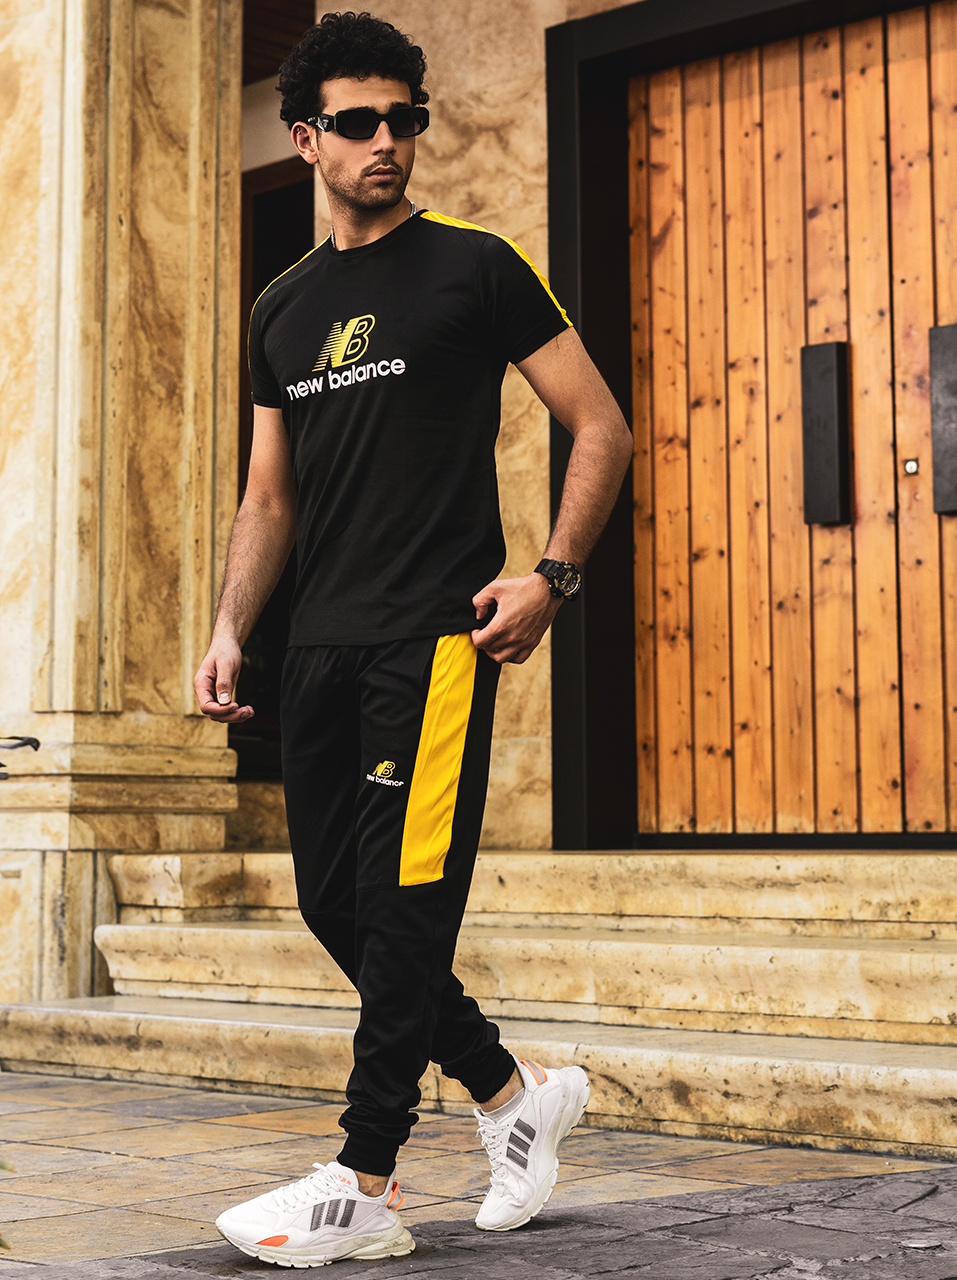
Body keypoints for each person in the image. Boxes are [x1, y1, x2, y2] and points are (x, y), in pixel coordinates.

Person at [194, 10, 632, 1268]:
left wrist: (551, 576)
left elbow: (600, 425)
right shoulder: (282, 308)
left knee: (403, 902)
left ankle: (366, 1179)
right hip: (315, 647)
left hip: (434, 641)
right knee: (334, 900)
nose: (386, 140)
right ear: (305, 138)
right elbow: (267, 494)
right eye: (358, 122)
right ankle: (510, 1092)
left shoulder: (475, 267)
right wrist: (229, 627)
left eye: (403, 118)